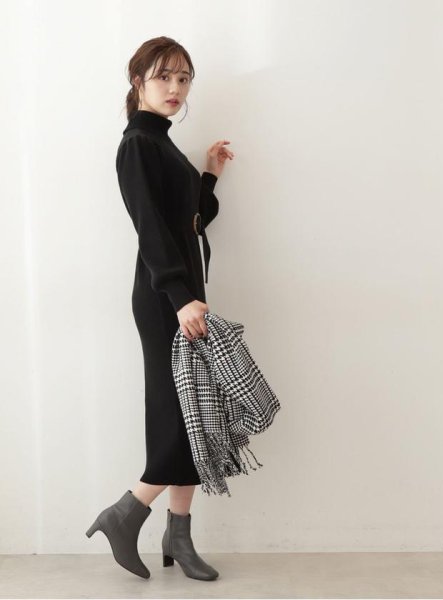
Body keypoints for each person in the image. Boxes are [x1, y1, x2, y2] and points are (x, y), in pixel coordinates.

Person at [85, 36, 234, 582]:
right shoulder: (137, 145)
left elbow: (191, 219)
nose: (175, 88)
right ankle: (127, 512)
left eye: (184, 78)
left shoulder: (163, 144)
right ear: (138, 82)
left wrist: (209, 174)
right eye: (163, 77)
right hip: (164, 298)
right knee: (176, 416)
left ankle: (178, 535)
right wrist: (178, 296)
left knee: (190, 413)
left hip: (184, 295)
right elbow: (149, 228)